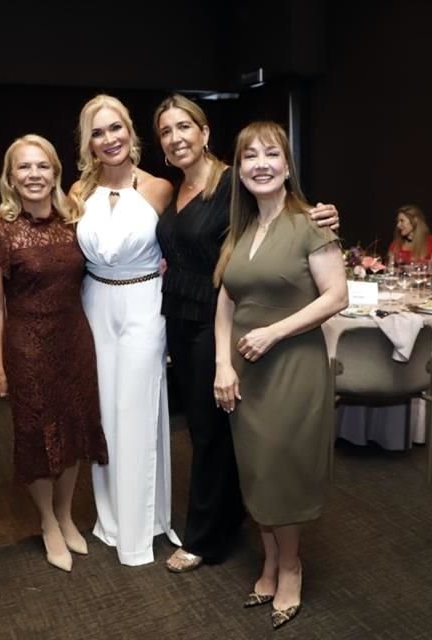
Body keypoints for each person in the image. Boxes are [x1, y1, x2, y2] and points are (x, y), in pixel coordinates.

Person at [152, 94, 340, 573]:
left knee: (224, 436)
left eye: (184, 127)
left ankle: (217, 538)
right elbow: (221, 270)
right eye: (166, 132)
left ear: (205, 131)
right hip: (193, 320)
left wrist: (326, 217)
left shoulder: (234, 184)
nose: (176, 138)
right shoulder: (186, 195)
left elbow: (297, 233)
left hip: (247, 334)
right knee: (222, 435)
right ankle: (249, 535)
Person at [213, 121, 348, 629]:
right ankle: (269, 560)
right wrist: (223, 363)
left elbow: (337, 296)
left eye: (271, 155)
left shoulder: (311, 224)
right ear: (240, 170)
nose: (261, 164)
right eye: (250, 157)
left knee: (282, 470)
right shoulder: (242, 231)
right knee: (256, 469)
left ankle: (290, 565)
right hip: (245, 373)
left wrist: (273, 332)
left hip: (292, 367)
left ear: (287, 166)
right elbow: (225, 302)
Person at [0, 134, 108, 573]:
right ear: (11, 177)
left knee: (72, 430)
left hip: (74, 340)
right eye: (24, 167)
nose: (34, 174)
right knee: (38, 435)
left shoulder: (75, 220)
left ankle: (66, 514)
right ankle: (47, 522)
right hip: (27, 347)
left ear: (55, 172)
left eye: (42, 166)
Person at [69, 94, 179, 566]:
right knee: (103, 414)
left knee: (137, 410)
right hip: (95, 304)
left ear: (131, 132)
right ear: (88, 143)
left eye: (116, 128)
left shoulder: (159, 188)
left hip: (143, 303)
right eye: (98, 132)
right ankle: (110, 519)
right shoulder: (75, 193)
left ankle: (143, 527)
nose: (109, 139)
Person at [387, 204, 432, 271]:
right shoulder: (395, 244)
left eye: (402, 221)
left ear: (415, 220)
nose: (398, 225)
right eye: (398, 221)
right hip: (401, 281)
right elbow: (390, 271)